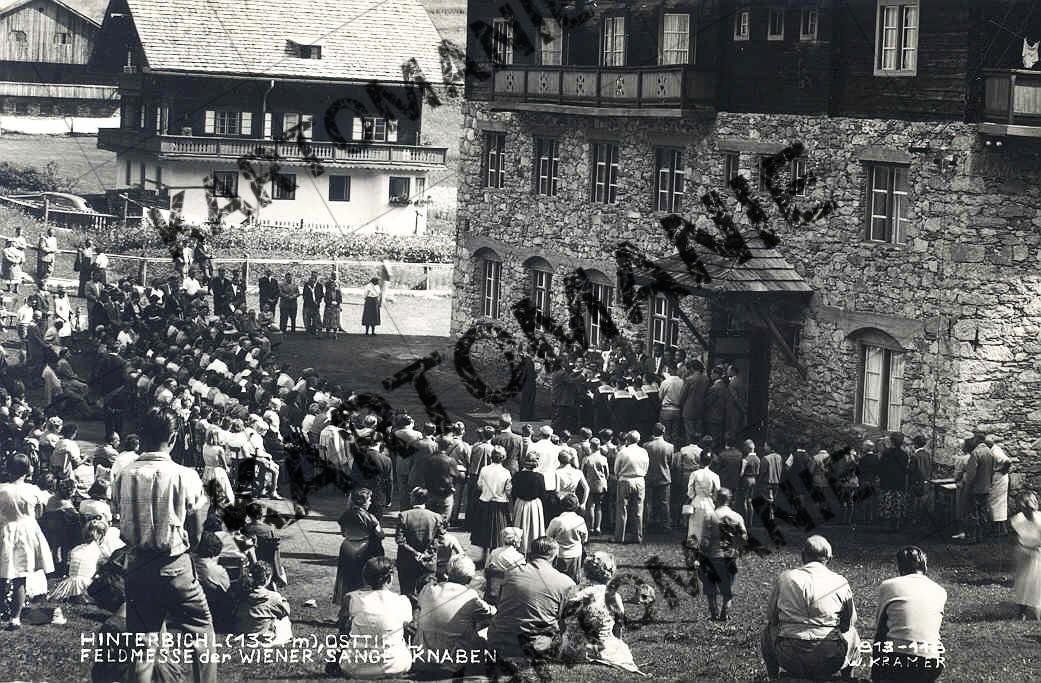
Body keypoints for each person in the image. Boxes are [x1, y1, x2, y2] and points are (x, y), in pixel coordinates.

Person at [111, 407, 216, 682]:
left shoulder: (124, 474)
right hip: (174, 564)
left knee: (143, 642)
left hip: (137, 564)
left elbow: (118, 516)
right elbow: (197, 528)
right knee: (201, 631)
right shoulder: (185, 475)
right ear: (173, 438)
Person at [761, 535, 861, 681]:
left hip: (789, 656)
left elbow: (771, 617)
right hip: (829, 658)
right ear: (830, 559)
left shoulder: (785, 578)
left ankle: (774, 678)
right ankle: (847, 678)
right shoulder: (840, 581)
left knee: (768, 630)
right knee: (853, 632)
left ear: (803, 556)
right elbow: (849, 623)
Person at [487, 536, 577, 661]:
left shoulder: (510, 573)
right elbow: (567, 623)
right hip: (535, 648)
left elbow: (500, 603)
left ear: (531, 553)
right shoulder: (566, 583)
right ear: (555, 557)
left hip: (499, 640)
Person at [872, 546, 947, 681]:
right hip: (931, 661)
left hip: (898, 660)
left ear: (900, 567)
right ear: (925, 566)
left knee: (881, 639)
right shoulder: (940, 591)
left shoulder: (888, 585)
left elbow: (880, 627)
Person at [414, 554, 496, 676]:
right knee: (488, 629)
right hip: (453, 664)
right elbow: (492, 613)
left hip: (423, 658)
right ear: (469, 579)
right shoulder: (470, 596)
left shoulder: (428, 589)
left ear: (448, 572)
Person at [563, 551, 644, 673]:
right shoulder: (614, 597)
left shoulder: (577, 592)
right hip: (601, 645)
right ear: (611, 574)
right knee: (614, 645)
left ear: (586, 572)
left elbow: (564, 617)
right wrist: (619, 643)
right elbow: (618, 625)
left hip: (574, 646)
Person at [335, 557, 413, 679]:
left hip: (355, 667)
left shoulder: (351, 598)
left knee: (346, 631)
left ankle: (335, 663)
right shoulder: (402, 601)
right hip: (396, 665)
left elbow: (341, 628)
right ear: (390, 578)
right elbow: (407, 627)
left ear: (365, 578)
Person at [0, 453, 54, 630]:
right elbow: (39, 512)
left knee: (3, 572)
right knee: (19, 577)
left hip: (6, 529)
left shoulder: (2, 489)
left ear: (8, 470)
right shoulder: (33, 490)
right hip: (26, 531)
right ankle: (15, 618)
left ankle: (3, 609)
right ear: (28, 470)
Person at [699, 488, 747, 622]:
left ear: (716, 499)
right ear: (730, 500)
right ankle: (725, 612)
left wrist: (701, 554)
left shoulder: (710, 516)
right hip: (730, 556)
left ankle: (714, 613)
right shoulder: (737, 517)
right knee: (728, 585)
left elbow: (705, 540)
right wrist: (737, 547)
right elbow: (744, 536)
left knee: (710, 584)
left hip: (713, 556)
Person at [333, 488, 384, 606]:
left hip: (347, 547)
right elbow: (380, 534)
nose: (371, 502)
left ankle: (345, 605)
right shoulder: (370, 517)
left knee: (346, 577)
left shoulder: (345, 514)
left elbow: (343, 533)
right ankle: (360, 605)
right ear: (363, 501)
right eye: (369, 500)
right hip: (363, 548)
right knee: (361, 577)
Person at [394, 487, 445, 598]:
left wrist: (415, 553)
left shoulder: (404, 515)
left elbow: (400, 540)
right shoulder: (437, 517)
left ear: (412, 499)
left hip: (407, 561)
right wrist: (426, 554)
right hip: (428, 562)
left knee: (407, 595)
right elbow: (440, 540)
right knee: (426, 595)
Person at [472, 445, 512, 564]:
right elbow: (508, 491)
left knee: (483, 532)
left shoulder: (484, 469)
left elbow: (479, 485)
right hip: (499, 504)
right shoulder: (506, 472)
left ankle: (483, 558)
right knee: (497, 535)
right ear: (503, 458)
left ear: (491, 456)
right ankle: (493, 561)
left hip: (484, 503)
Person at [236, 561, 292, 646]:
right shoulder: (273, 596)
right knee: (284, 619)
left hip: (243, 631)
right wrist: (284, 601)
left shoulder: (243, 592)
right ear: (267, 578)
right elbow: (285, 612)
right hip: (262, 635)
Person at [192, 531, 235, 633]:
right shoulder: (218, 571)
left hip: (192, 605)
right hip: (214, 609)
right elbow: (227, 589)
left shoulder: (187, 561)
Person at [614, 430, 648, 544]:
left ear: (627, 440)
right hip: (639, 480)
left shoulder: (623, 452)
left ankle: (619, 537)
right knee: (638, 509)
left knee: (622, 509)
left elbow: (616, 469)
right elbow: (646, 467)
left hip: (625, 480)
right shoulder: (643, 452)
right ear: (638, 440)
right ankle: (637, 536)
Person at [1011, 491, 1041, 621]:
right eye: (1024, 509)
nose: (1027, 512)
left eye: (1030, 509)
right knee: (1023, 582)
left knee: (1037, 583)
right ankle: (1022, 610)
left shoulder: (1039, 520)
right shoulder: (1017, 519)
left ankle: (1036, 608)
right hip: (1024, 553)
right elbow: (1016, 536)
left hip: (1037, 554)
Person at [546, 493, 588, 582]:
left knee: (559, 581)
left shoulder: (556, 521)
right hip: (576, 555)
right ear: (576, 506)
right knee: (573, 581)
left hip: (560, 555)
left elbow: (548, 537)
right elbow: (585, 538)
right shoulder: (580, 520)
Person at [962, 434, 995, 544]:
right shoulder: (990, 452)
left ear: (977, 440)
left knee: (972, 513)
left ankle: (972, 537)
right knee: (983, 512)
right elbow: (992, 471)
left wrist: (967, 488)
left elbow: (971, 475)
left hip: (975, 489)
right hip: (986, 488)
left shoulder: (976, 453)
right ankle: (982, 536)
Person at [512, 454, 546, 554]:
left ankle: (520, 547)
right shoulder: (539, 477)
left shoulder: (517, 475)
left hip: (521, 503)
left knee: (520, 525)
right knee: (534, 527)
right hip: (534, 505)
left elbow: (514, 492)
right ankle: (533, 547)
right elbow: (542, 493)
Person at [643, 423, 673, 532]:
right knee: (664, 502)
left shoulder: (646, 446)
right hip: (664, 477)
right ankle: (665, 524)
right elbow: (671, 462)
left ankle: (648, 522)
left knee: (648, 502)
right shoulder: (670, 446)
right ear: (664, 432)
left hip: (650, 476)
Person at [686, 451, 721, 547]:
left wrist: (693, 497)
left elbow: (690, 490)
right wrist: (713, 499)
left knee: (694, 526)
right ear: (710, 462)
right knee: (708, 527)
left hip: (697, 502)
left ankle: (694, 545)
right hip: (709, 503)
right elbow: (717, 491)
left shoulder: (694, 474)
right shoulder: (715, 476)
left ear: (700, 461)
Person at [484, 527, 526, 605]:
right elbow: (521, 579)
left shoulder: (494, 552)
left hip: (492, 591)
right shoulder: (519, 557)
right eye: (520, 538)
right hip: (509, 595)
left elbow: (486, 571)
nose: (521, 540)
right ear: (515, 540)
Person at [878, 433, 910, 531]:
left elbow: (881, 468)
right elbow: (905, 469)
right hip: (899, 483)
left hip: (887, 482)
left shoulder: (886, 453)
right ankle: (896, 525)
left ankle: (886, 525)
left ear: (892, 441)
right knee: (898, 504)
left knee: (887, 503)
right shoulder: (904, 455)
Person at [582, 441, 609, 534]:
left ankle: (591, 527)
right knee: (599, 506)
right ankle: (598, 527)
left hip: (590, 484)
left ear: (591, 447)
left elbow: (583, 472)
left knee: (591, 506)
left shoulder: (587, 459)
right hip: (600, 484)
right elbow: (607, 473)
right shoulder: (604, 459)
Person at [987, 434, 1012, 536]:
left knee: (996, 503)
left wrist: (998, 470)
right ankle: (999, 528)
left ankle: (1000, 530)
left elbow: (1007, 462)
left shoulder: (995, 450)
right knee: (996, 503)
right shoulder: (993, 450)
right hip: (998, 478)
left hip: (1000, 479)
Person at [681, 360, 709, 446]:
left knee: (689, 433)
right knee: (699, 433)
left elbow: (683, 395)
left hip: (689, 408)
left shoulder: (689, 379)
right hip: (701, 408)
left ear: (692, 368)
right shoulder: (706, 379)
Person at [301, 271, 324, 337]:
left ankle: (317, 332)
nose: (314, 278)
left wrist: (318, 301)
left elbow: (321, 295)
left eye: (315, 276)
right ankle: (308, 332)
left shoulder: (319, 285)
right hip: (308, 306)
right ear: (311, 276)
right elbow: (304, 295)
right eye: (313, 276)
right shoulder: (307, 285)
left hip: (316, 306)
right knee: (307, 320)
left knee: (316, 320)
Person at [323, 272, 343, 338]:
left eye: (335, 285)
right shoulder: (328, 291)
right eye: (332, 285)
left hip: (336, 307)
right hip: (329, 306)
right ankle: (327, 333)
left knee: (335, 321)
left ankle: (335, 334)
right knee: (328, 320)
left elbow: (340, 299)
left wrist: (338, 304)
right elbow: (325, 299)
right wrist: (330, 303)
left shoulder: (338, 291)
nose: (334, 286)